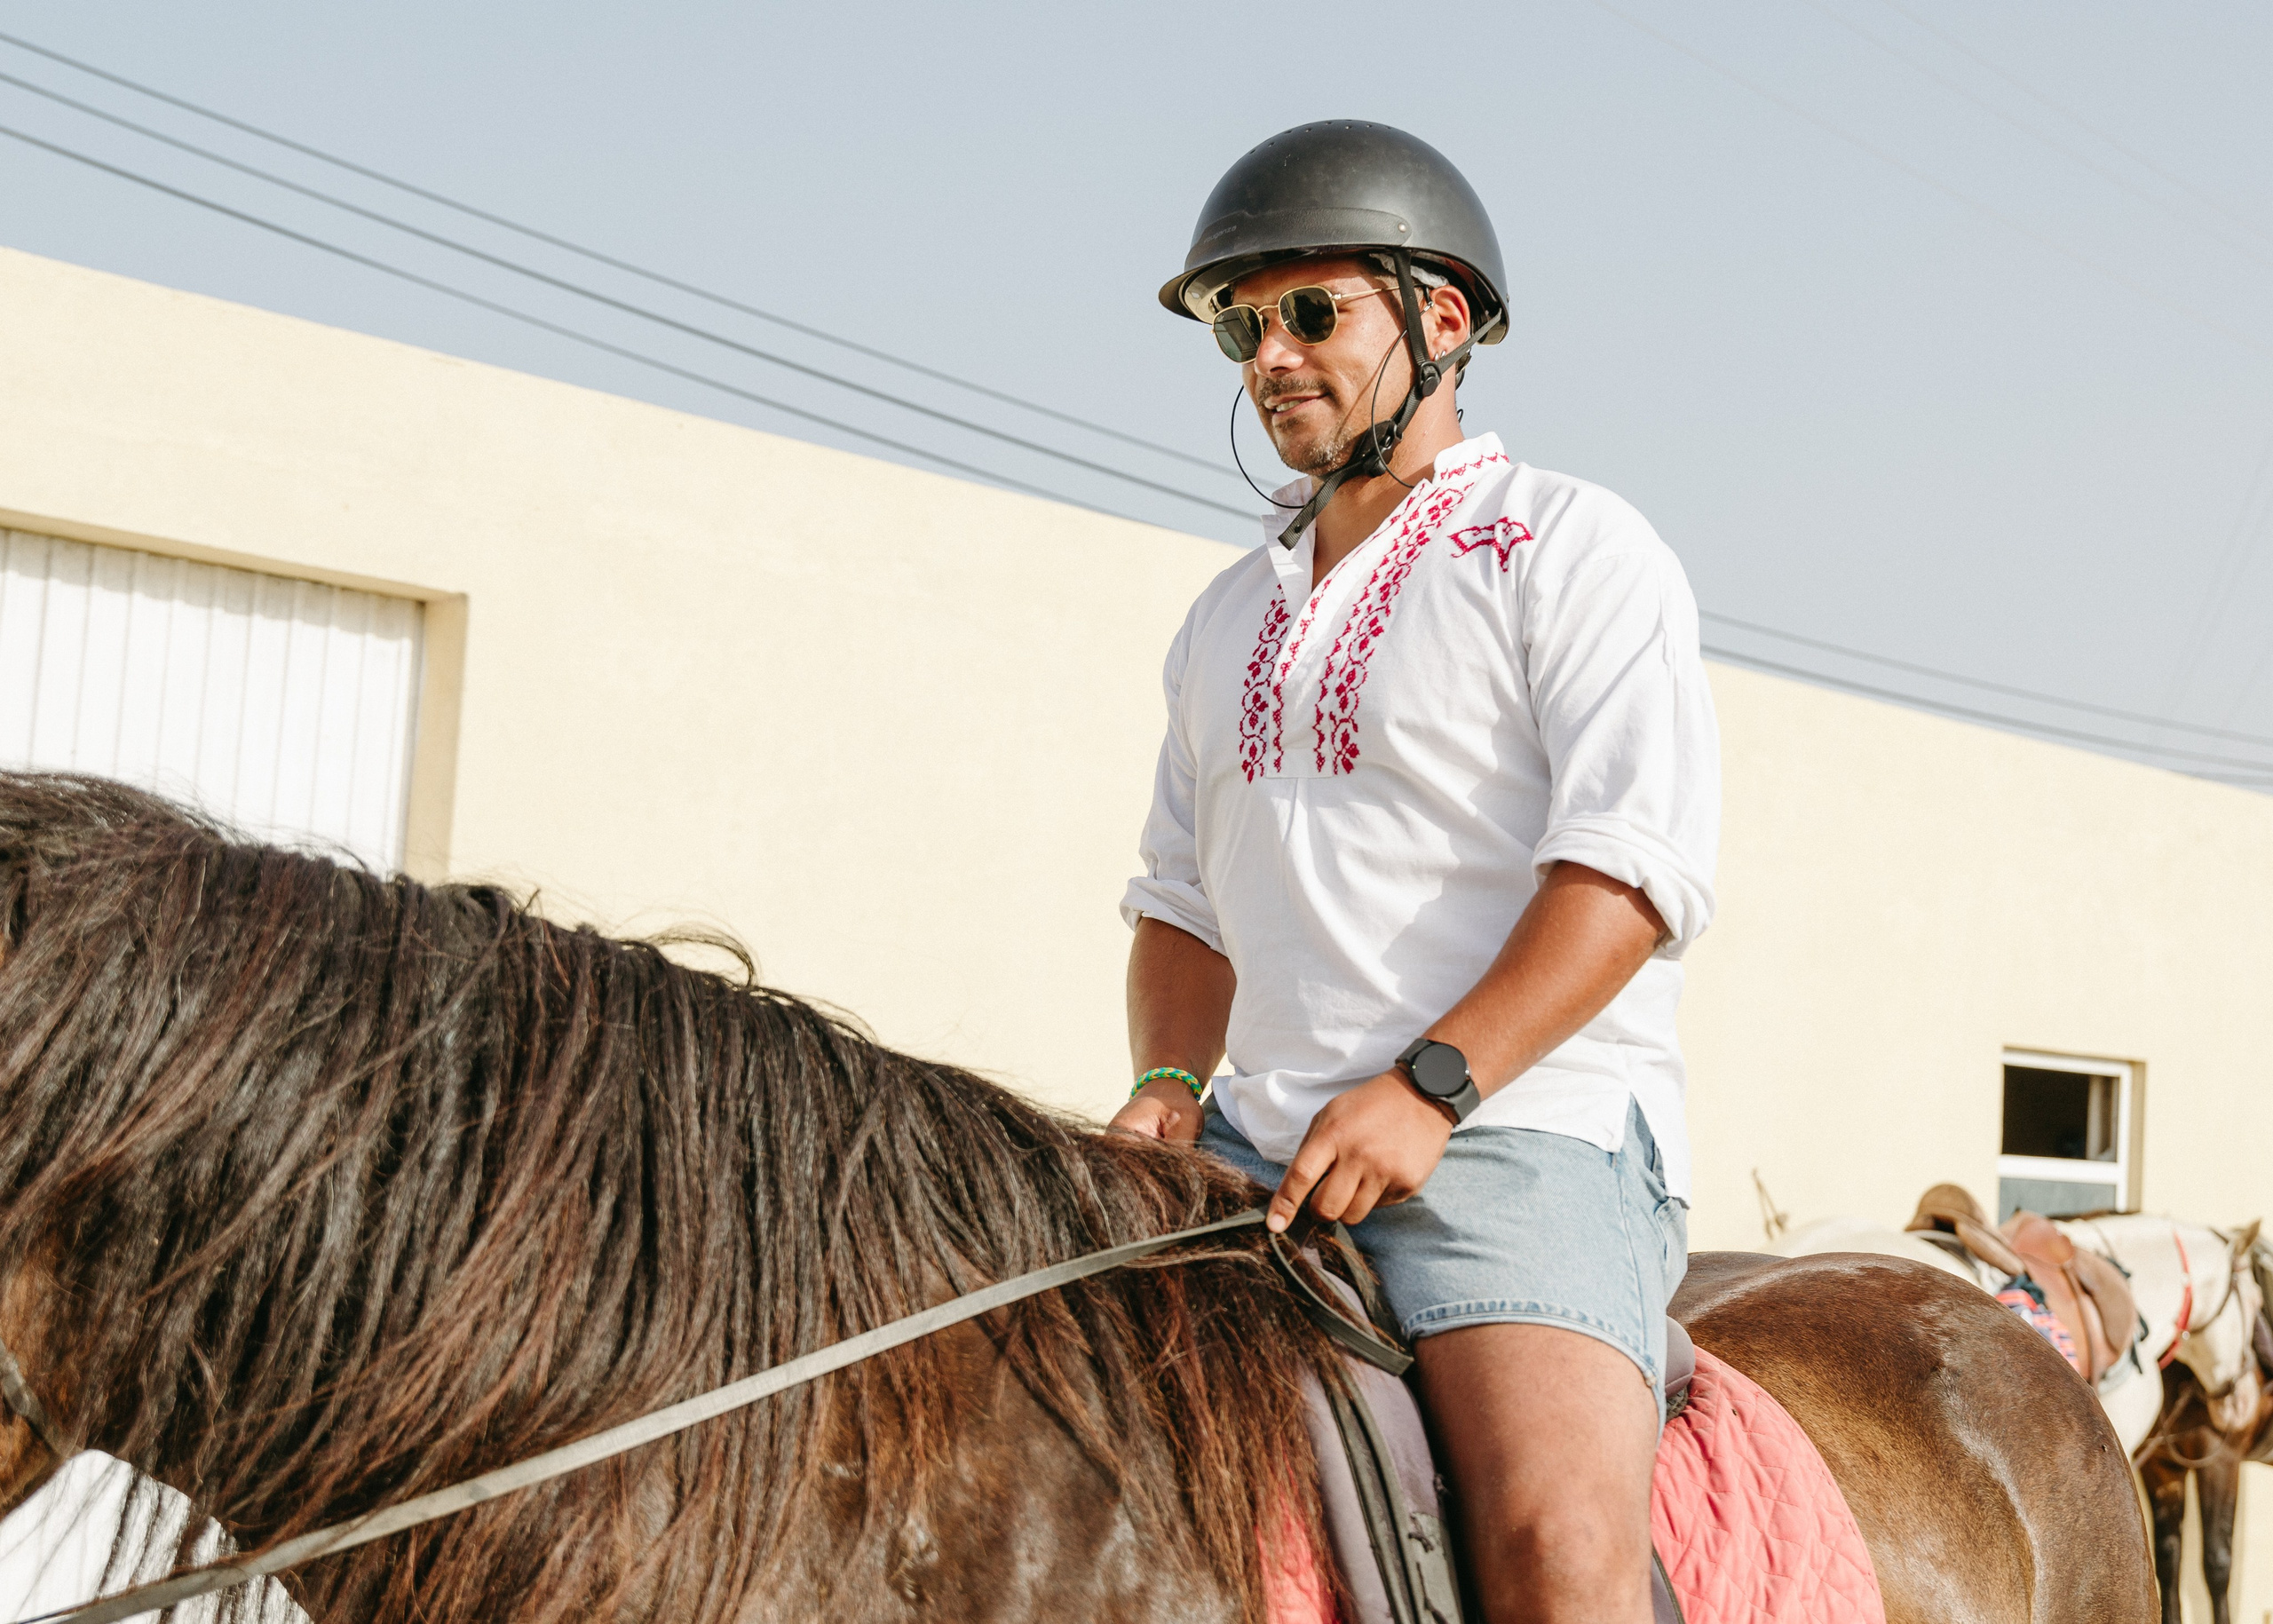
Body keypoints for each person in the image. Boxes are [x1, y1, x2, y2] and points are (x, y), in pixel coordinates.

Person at [1111, 121, 1721, 1624]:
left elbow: (1626, 875)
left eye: (1313, 312)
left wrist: (1430, 1086)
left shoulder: (1571, 547)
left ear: (1440, 318)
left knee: (1556, 1549)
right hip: (1252, 1150)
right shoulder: (1221, 618)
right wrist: (1170, 1086)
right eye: (1243, 326)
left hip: (1517, 1139)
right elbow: (1181, 905)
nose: (1269, 357)